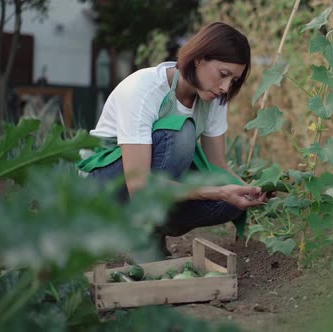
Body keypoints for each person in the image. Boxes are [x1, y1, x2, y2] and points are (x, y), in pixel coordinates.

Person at [77, 22, 269, 256]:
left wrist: (252, 191)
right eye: (223, 74)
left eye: (234, 80)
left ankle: (154, 231)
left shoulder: (215, 98)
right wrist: (217, 192)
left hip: (151, 190)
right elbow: (139, 185)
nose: (226, 87)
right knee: (181, 134)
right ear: (199, 58)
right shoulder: (143, 88)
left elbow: (218, 167)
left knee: (233, 203)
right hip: (102, 185)